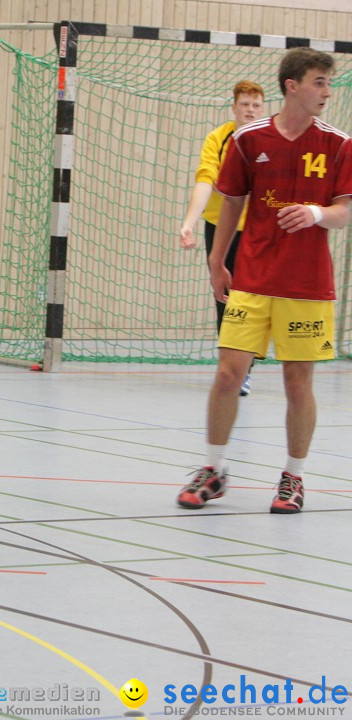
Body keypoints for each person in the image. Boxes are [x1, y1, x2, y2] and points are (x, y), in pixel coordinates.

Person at [176, 48, 352, 514]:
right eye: (318, 82)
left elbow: (345, 210)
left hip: (307, 285)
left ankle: (293, 477)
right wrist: (217, 262)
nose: (327, 92)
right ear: (292, 86)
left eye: (328, 83)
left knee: (298, 383)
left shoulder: (338, 144)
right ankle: (213, 470)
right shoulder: (248, 139)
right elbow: (231, 202)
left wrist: (317, 213)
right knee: (228, 375)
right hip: (252, 278)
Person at [179, 80, 266, 396]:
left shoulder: (271, 140)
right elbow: (204, 181)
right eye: (245, 104)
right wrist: (188, 223)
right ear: (234, 107)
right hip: (222, 226)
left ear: (263, 108)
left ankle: (245, 368)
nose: (250, 110)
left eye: (256, 105)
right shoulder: (219, 138)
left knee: (251, 297)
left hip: (258, 229)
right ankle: (230, 366)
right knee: (225, 295)